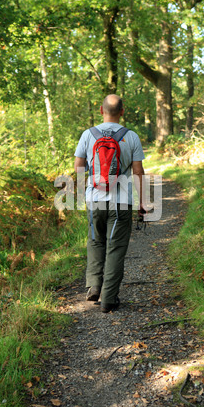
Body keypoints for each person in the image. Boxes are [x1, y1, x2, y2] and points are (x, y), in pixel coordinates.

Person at [74, 94, 145, 313]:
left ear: (101, 110)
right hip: (121, 202)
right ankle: (109, 298)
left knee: (95, 241)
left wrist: (78, 198)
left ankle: (95, 285)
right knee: (115, 248)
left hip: (94, 199)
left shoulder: (88, 135)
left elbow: (78, 166)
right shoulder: (131, 136)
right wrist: (142, 202)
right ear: (122, 112)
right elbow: (138, 172)